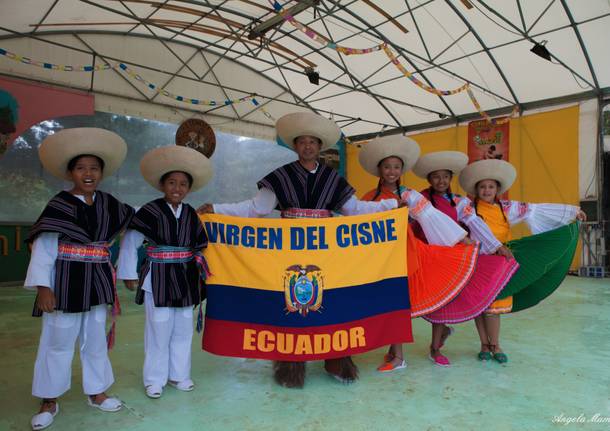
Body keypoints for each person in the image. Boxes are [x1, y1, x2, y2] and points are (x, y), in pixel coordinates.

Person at [198, 112, 403, 388]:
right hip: (290, 252)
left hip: (326, 252)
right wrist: (218, 210)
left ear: (320, 147)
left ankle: (337, 361)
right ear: (295, 146)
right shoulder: (281, 177)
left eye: (313, 142)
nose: (307, 147)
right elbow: (256, 209)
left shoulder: (333, 179)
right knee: (291, 304)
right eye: (302, 142)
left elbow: (354, 210)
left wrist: (390, 207)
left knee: (331, 302)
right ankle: (290, 367)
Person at [25, 128, 134, 430]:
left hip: (98, 281)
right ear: (71, 172)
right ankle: (49, 399)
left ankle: (96, 392)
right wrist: (43, 288)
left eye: (94, 168)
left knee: (96, 340)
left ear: (102, 173)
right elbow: (45, 248)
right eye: (81, 168)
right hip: (65, 284)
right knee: (57, 341)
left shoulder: (110, 203)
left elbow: (138, 218)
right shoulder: (59, 204)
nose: (88, 173)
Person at [359, 138, 473, 372]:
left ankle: (399, 356)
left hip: (405, 253)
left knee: (398, 303)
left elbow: (431, 216)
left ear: (402, 170)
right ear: (380, 169)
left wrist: (460, 238)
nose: (392, 171)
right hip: (380, 258)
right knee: (388, 304)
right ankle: (394, 351)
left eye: (396, 167)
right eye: (387, 166)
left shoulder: (409, 196)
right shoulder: (369, 197)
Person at [459, 159, 586, 363]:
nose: (486, 190)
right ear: (476, 189)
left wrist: (572, 212)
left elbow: (535, 210)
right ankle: (484, 344)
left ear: (497, 188)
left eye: (491, 186)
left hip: (500, 262)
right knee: (480, 306)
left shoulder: (507, 207)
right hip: (478, 261)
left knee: (495, 307)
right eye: (482, 187)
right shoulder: (468, 209)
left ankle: (496, 344)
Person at [117, 145, 213, 399]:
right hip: (157, 277)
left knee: (182, 327)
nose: (177, 188)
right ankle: (154, 380)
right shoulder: (149, 210)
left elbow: (201, 246)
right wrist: (128, 272)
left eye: (183, 184)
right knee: (159, 328)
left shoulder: (191, 214)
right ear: (162, 185)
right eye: (172, 182)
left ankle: (179, 375)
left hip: (185, 278)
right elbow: (131, 240)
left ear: (189, 189)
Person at [410, 151, 518, 366]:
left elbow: (475, 221)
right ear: (429, 179)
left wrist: (495, 245)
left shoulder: (458, 201)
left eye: (446, 176)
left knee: (448, 301)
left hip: (453, 258)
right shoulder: (420, 198)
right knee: (436, 304)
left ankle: (439, 344)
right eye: (436, 176)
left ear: (451, 178)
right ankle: (434, 347)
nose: (441, 181)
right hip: (429, 257)